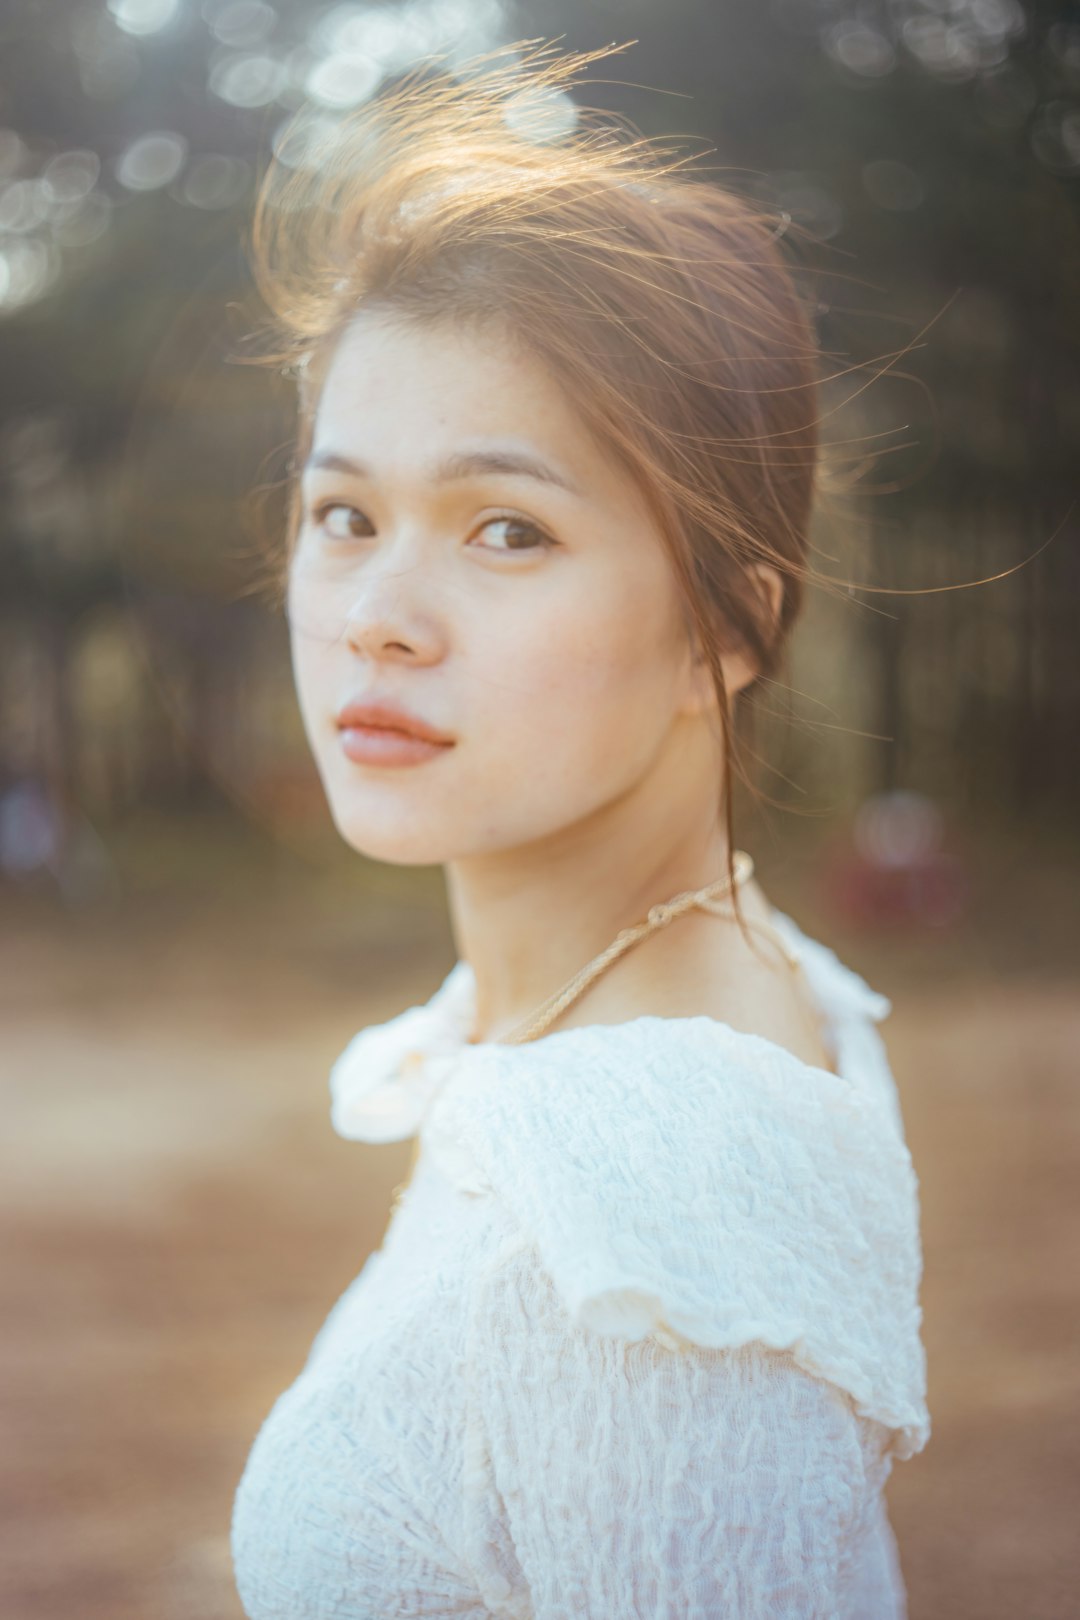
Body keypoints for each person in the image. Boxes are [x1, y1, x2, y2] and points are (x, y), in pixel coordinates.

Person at [230, 39, 930, 1619]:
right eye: (344, 515)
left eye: (507, 528)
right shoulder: (716, 993)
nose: (378, 619)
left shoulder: (652, 1173)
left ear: (725, 631)